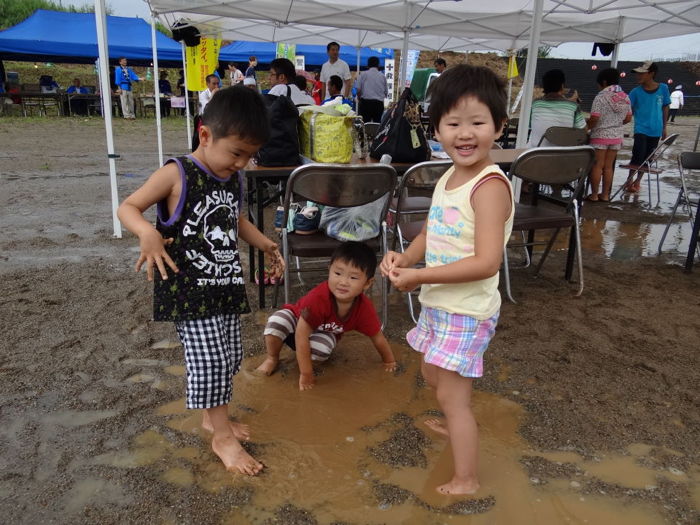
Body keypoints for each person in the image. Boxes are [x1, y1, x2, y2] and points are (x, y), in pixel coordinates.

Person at [117, 86, 283, 476]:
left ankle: (213, 419)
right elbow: (128, 207)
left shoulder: (233, 178)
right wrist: (147, 233)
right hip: (188, 288)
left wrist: (264, 242)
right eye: (236, 153)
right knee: (209, 361)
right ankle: (221, 436)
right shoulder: (177, 172)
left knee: (229, 357)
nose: (242, 163)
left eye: (249, 155)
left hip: (225, 284)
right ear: (205, 135)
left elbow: (236, 219)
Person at [380, 64, 513, 495]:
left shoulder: (489, 186)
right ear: (436, 129)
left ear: (499, 127)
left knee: (453, 398)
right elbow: (432, 232)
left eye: (478, 122)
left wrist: (419, 276)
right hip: (439, 301)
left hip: (467, 310)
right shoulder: (450, 176)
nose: (465, 133)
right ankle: (452, 416)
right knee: (434, 376)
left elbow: (488, 262)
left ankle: (467, 478)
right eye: (453, 123)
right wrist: (407, 257)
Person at [256, 242, 397, 389]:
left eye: (353, 278)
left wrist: (389, 361)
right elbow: (301, 334)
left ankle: (302, 358)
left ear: (368, 283)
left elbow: (377, 337)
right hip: (297, 321)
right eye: (337, 273)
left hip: (323, 332)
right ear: (329, 270)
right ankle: (272, 358)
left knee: (322, 350)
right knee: (277, 321)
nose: (343, 282)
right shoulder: (318, 298)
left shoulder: (364, 308)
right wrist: (306, 374)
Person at [623, 61, 671, 193]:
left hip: (656, 129)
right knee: (637, 155)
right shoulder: (635, 92)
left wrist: (664, 127)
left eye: (641, 74)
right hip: (641, 129)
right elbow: (627, 108)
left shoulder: (663, 88)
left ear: (651, 74)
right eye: (637, 74)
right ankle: (629, 180)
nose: (638, 76)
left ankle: (638, 181)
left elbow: (665, 106)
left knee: (648, 157)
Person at [585, 68, 632, 202]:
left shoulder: (601, 97)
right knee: (608, 167)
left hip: (600, 135)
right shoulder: (625, 97)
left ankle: (594, 195)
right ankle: (605, 195)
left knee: (597, 166)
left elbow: (594, 118)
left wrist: (587, 128)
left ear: (604, 82)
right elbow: (628, 118)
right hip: (616, 137)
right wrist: (616, 124)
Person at [527, 69, 585, 147]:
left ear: (544, 86)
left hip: (537, 154)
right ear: (562, 86)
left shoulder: (536, 104)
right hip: (564, 155)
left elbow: (530, 125)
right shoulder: (573, 106)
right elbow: (583, 130)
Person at [355, 56, 387, 123]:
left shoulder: (363, 74)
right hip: (378, 104)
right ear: (378, 65)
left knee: (364, 125)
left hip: (365, 103)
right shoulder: (382, 76)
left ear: (368, 65)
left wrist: (359, 98)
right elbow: (385, 92)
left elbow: (358, 89)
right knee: (377, 125)